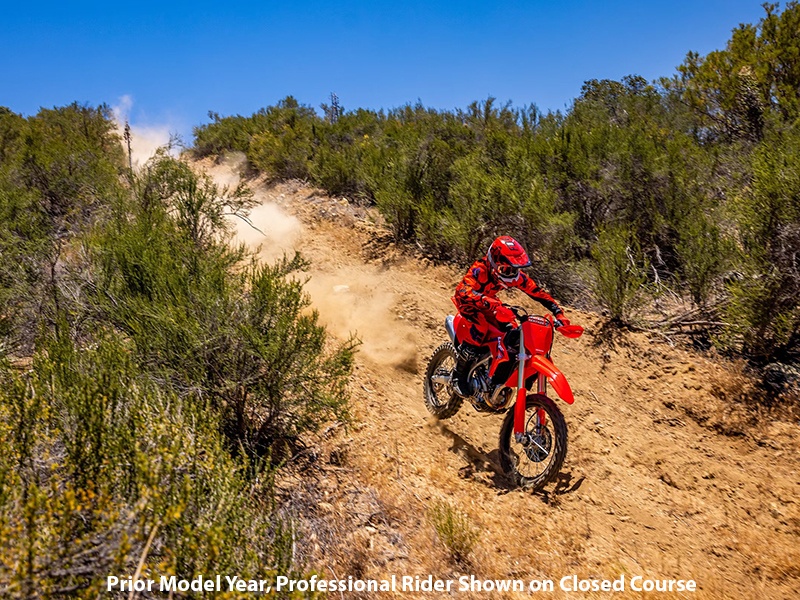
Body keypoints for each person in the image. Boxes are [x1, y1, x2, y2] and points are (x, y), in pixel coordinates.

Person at [451, 235, 568, 398]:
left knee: (511, 329)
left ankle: (494, 375)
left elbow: (537, 292)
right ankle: (458, 376)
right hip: (469, 303)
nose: (511, 274)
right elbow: (462, 291)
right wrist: (486, 300)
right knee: (480, 326)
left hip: (490, 303)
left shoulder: (513, 276)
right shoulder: (480, 269)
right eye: (505, 270)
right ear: (493, 264)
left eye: (514, 270)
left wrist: (558, 312)